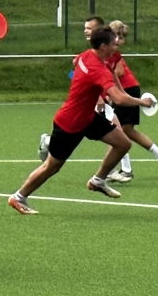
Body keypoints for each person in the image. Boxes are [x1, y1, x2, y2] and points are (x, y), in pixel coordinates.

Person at [8, 24, 150, 213]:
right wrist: (142, 102)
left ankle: (98, 181)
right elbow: (119, 99)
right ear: (103, 47)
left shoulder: (87, 55)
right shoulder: (98, 69)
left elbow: (77, 62)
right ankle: (18, 197)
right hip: (70, 123)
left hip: (87, 117)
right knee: (52, 166)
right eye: (114, 43)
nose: (117, 45)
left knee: (123, 144)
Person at [106, 20, 158, 182]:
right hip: (130, 88)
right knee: (128, 131)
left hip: (126, 90)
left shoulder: (112, 53)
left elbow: (118, 72)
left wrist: (107, 87)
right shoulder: (112, 51)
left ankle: (125, 170)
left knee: (115, 131)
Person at [38, 16, 104, 160]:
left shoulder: (103, 52)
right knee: (119, 135)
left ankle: (112, 170)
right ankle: (49, 141)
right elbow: (78, 65)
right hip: (85, 106)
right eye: (85, 28)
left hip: (95, 103)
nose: (86, 31)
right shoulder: (90, 54)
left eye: (89, 28)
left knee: (120, 139)